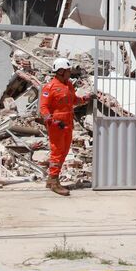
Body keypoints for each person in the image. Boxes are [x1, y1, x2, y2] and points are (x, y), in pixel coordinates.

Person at [39, 58, 88, 196]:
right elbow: (43, 107)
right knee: (57, 151)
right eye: (67, 71)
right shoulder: (49, 87)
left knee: (65, 150)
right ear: (60, 71)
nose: (70, 73)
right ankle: (54, 181)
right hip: (57, 124)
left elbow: (74, 100)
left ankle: (51, 178)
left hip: (68, 122)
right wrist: (51, 120)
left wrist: (85, 99)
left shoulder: (68, 85)